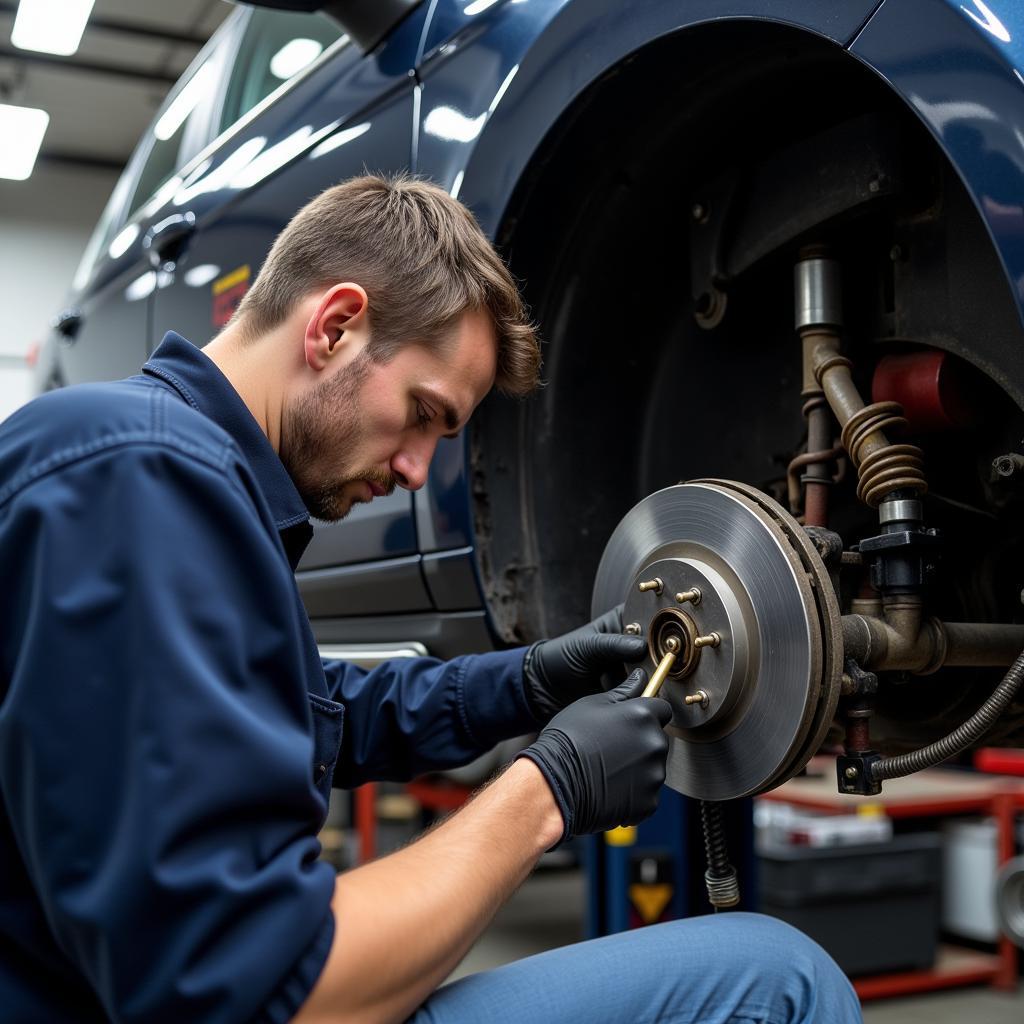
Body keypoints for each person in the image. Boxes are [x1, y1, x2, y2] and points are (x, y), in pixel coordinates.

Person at [0, 174, 861, 1023]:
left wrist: (528, 683)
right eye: (421, 413)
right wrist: (547, 792)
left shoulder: (168, 470)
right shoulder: (138, 479)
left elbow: (315, 712)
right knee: (779, 981)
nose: (416, 470)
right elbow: (242, 988)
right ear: (335, 326)